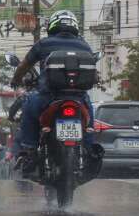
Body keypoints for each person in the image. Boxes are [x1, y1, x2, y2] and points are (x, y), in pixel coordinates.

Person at [9, 10, 95, 162]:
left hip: (48, 97)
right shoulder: (85, 46)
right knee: (89, 112)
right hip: (78, 97)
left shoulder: (44, 44)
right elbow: (93, 72)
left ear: (52, 26)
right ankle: (89, 146)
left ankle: (29, 148)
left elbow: (24, 65)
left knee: (28, 106)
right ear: (74, 26)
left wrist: (16, 80)